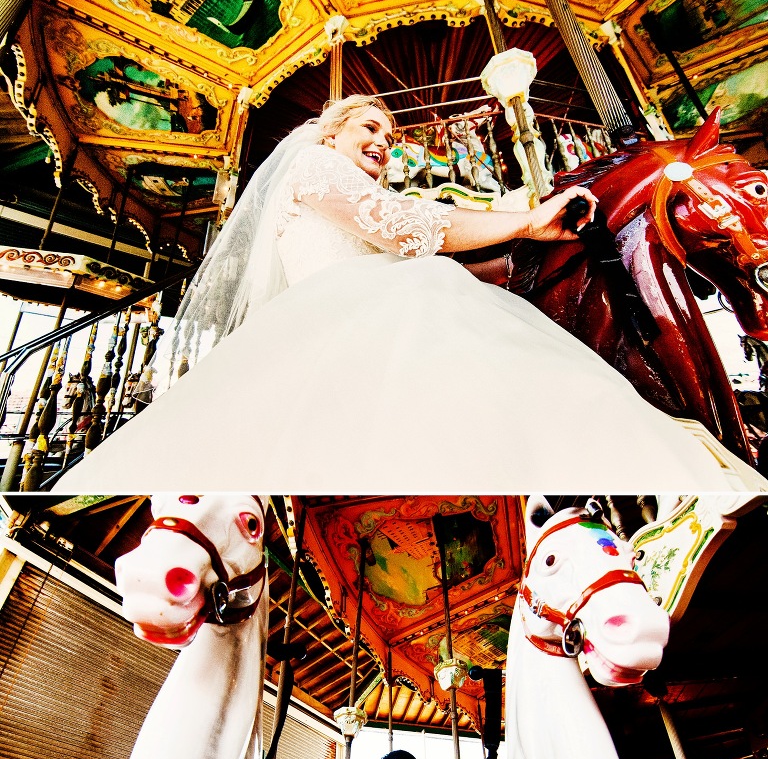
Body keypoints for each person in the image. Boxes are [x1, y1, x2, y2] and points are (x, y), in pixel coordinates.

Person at [58, 94, 766, 493]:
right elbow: (405, 227)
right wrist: (523, 218)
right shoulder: (311, 166)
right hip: (352, 313)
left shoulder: (351, 182)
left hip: (380, 305)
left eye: (390, 136)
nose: (382, 144)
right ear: (329, 133)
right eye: (369, 128)